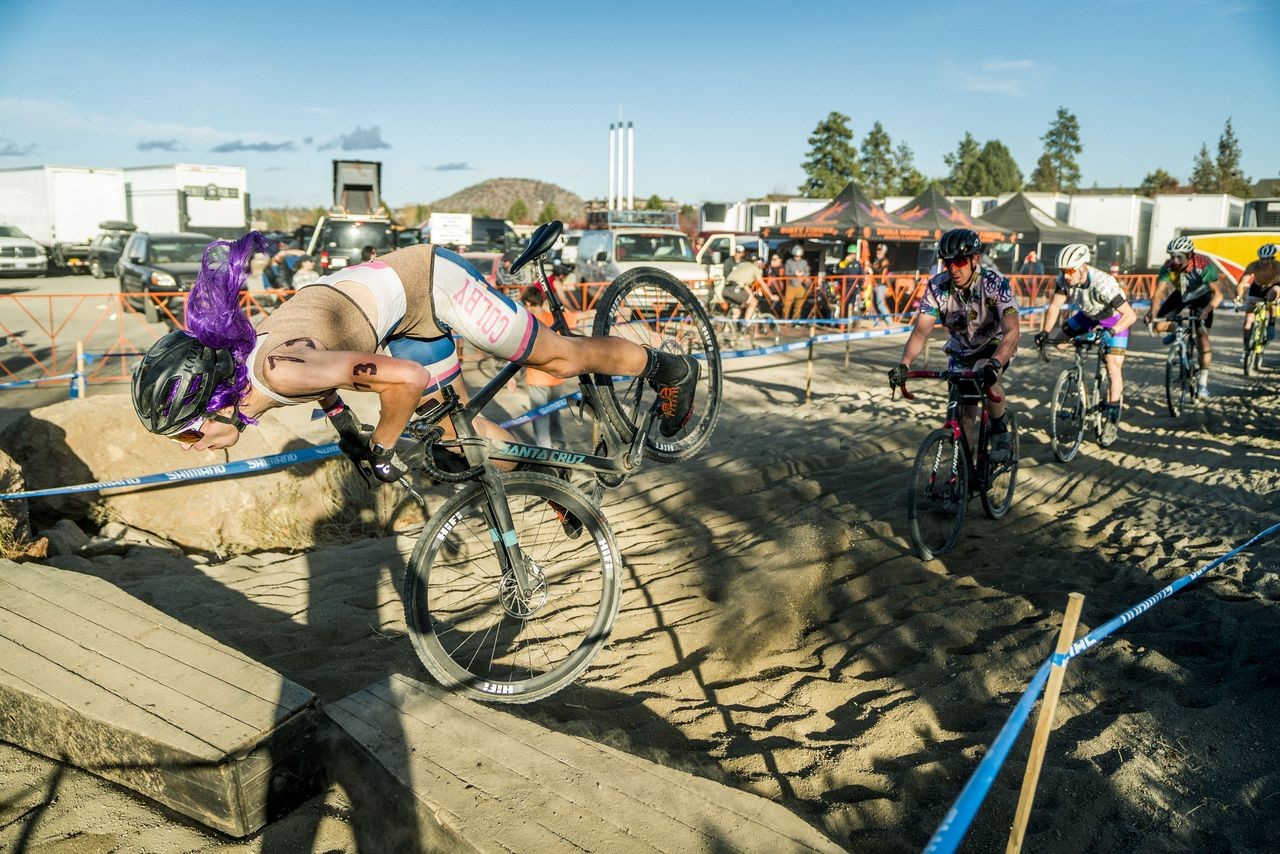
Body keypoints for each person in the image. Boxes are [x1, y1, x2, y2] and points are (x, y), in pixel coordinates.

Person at [130, 232, 700, 483]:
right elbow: (324, 377)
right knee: (454, 431)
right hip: (395, 319)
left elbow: (402, 377)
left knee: (555, 361)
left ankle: (668, 368)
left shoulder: (278, 369)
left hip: (431, 283)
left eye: (187, 435)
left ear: (214, 406)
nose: (194, 447)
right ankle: (550, 481)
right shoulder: (261, 376)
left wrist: (379, 448)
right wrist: (344, 425)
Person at [888, 228, 1020, 460]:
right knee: (963, 417)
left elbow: (1012, 331)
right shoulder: (937, 287)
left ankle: (1000, 428)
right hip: (960, 350)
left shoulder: (994, 283)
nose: (953, 268)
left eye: (959, 261)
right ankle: (968, 476)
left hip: (994, 344)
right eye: (948, 262)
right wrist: (904, 364)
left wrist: (996, 364)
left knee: (984, 375)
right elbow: (920, 333)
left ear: (975, 259)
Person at [1034, 244, 1137, 444]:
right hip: (1088, 315)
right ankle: (1076, 378)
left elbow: (1130, 315)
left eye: (1070, 270)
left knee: (1112, 365)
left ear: (1083, 267)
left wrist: (1112, 331)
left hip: (1114, 320)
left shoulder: (1103, 284)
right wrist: (1045, 332)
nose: (1066, 276)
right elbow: (1055, 306)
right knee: (1060, 342)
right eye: (1062, 271)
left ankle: (1112, 422)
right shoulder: (1064, 280)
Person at [1144, 236, 1224, 398]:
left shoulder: (1203, 265)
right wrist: (1151, 314)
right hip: (1181, 295)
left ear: (1190, 255)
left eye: (1179, 256)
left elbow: (1218, 295)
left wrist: (1207, 310)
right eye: (1172, 256)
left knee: (1202, 339)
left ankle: (1202, 382)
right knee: (1158, 325)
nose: (1175, 260)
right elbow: (1158, 293)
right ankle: (1178, 331)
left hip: (1202, 298)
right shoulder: (1168, 267)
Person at [519, 286, 571, 448]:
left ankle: (545, 453)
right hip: (556, 377)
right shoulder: (554, 318)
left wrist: (513, 378)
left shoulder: (529, 323)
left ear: (528, 303)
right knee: (555, 416)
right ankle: (560, 447)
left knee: (540, 420)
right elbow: (578, 316)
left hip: (537, 379)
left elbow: (519, 350)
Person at [1234, 243, 1280, 358]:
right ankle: (1246, 348)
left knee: (1273, 294)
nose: (1264, 262)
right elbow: (1242, 283)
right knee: (1248, 321)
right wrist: (1239, 297)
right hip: (1257, 289)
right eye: (1262, 259)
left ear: (1273, 258)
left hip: (1273, 287)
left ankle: (1271, 323)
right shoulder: (1253, 266)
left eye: (1267, 260)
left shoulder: (1278, 266)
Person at [722, 252, 764, 326]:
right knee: (754, 302)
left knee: (737, 312)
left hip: (726, 289)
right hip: (735, 289)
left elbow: (744, 284)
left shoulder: (741, 265)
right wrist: (771, 296)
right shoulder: (754, 268)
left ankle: (728, 329)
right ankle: (745, 325)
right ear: (756, 262)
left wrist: (750, 294)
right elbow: (762, 283)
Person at [782, 244, 810, 323]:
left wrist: (802, 274)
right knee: (787, 304)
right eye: (796, 256)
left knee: (798, 305)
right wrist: (794, 273)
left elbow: (807, 273)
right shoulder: (788, 262)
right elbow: (786, 273)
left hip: (801, 286)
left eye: (799, 256)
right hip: (791, 286)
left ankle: (795, 321)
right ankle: (784, 321)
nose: (797, 257)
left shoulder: (804, 262)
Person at [868, 243, 892, 326]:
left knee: (880, 304)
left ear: (884, 251)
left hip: (880, 285)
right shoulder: (876, 260)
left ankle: (889, 320)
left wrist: (870, 266)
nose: (878, 252)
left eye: (880, 250)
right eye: (877, 250)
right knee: (873, 304)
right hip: (874, 283)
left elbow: (879, 270)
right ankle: (876, 322)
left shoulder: (885, 260)